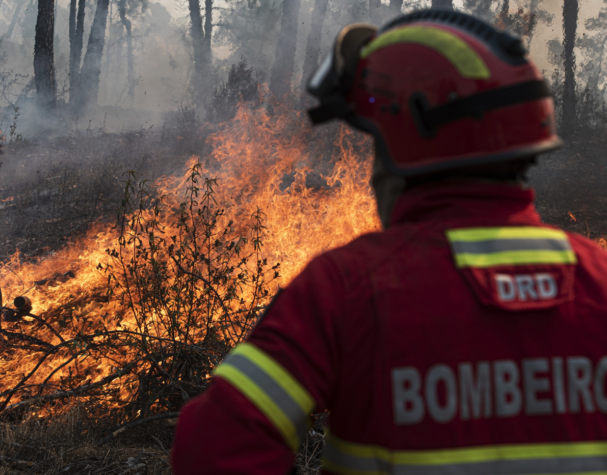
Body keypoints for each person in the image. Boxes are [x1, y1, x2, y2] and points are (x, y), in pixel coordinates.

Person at [171, 9, 607, 475]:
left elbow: (212, 447)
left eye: (378, 145)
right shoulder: (599, 279)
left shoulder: (347, 290)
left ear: (406, 147)